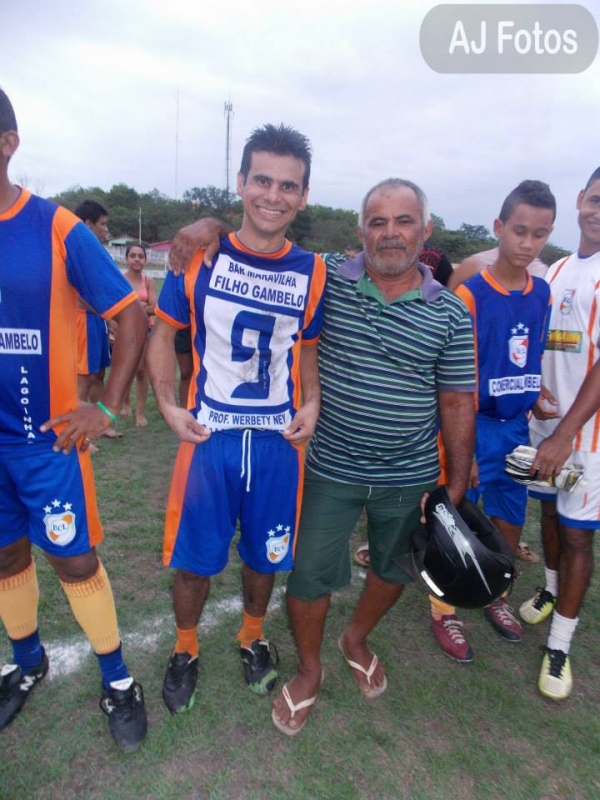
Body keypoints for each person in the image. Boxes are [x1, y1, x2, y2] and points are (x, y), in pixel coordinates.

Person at [147, 124, 327, 713]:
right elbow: (164, 335)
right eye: (263, 180)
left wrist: (313, 401)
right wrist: (170, 406)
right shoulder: (199, 255)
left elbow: (305, 351)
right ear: (242, 182)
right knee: (193, 561)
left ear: (303, 196)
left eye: (288, 186)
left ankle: (252, 635)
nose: (273, 196)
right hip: (209, 438)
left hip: (277, 444)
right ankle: (185, 647)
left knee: (264, 556)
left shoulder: (315, 271)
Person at [0, 89, 149, 750]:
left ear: (9, 142)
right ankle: (27, 662)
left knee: (74, 558)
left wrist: (107, 404)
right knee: (4, 556)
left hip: (48, 441)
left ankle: (118, 679)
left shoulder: (55, 228)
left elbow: (131, 313)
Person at [427, 181, 555, 664]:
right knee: (458, 518)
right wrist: (459, 447)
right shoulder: (470, 294)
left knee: (507, 517)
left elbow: (528, 354)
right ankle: (444, 607)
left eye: (539, 235)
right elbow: (451, 375)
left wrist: (535, 390)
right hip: (472, 426)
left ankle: (493, 593)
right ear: (499, 228)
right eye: (519, 231)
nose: (527, 243)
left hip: (515, 429)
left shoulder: (541, 292)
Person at [521, 167, 600, 700]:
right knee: (548, 513)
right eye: (596, 199)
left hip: (587, 439)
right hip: (544, 424)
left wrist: (565, 433)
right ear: (579, 199)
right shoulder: (559, 270)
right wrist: (534, 396)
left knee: (577, 534)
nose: (598, 212)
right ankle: (550, 591)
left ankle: (560, 645)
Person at [74, 199, 121, 441]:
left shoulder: (95, 252)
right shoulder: (75, 250)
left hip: (98, 321)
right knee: (84, 377)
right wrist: (109, 316)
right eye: (102, 224)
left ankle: (101, 423)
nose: (105, 229)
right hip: (84, 320)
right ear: (86, 224)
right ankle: (79, 435)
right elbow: (81, 297)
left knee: (100, 373)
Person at [121, 243, 157, 427]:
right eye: (133, 255)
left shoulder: (148, 281)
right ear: (126, 259)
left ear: (145, 260)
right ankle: (125, 403)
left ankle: (140, 413)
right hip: (123, 331)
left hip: (144, 330)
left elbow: (154, 307)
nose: (136, 259)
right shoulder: (119, 279)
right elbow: (115, 307)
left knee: (142, 371)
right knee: (126, 370)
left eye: (140, 256)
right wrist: (140, 307)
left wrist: (136, 309)